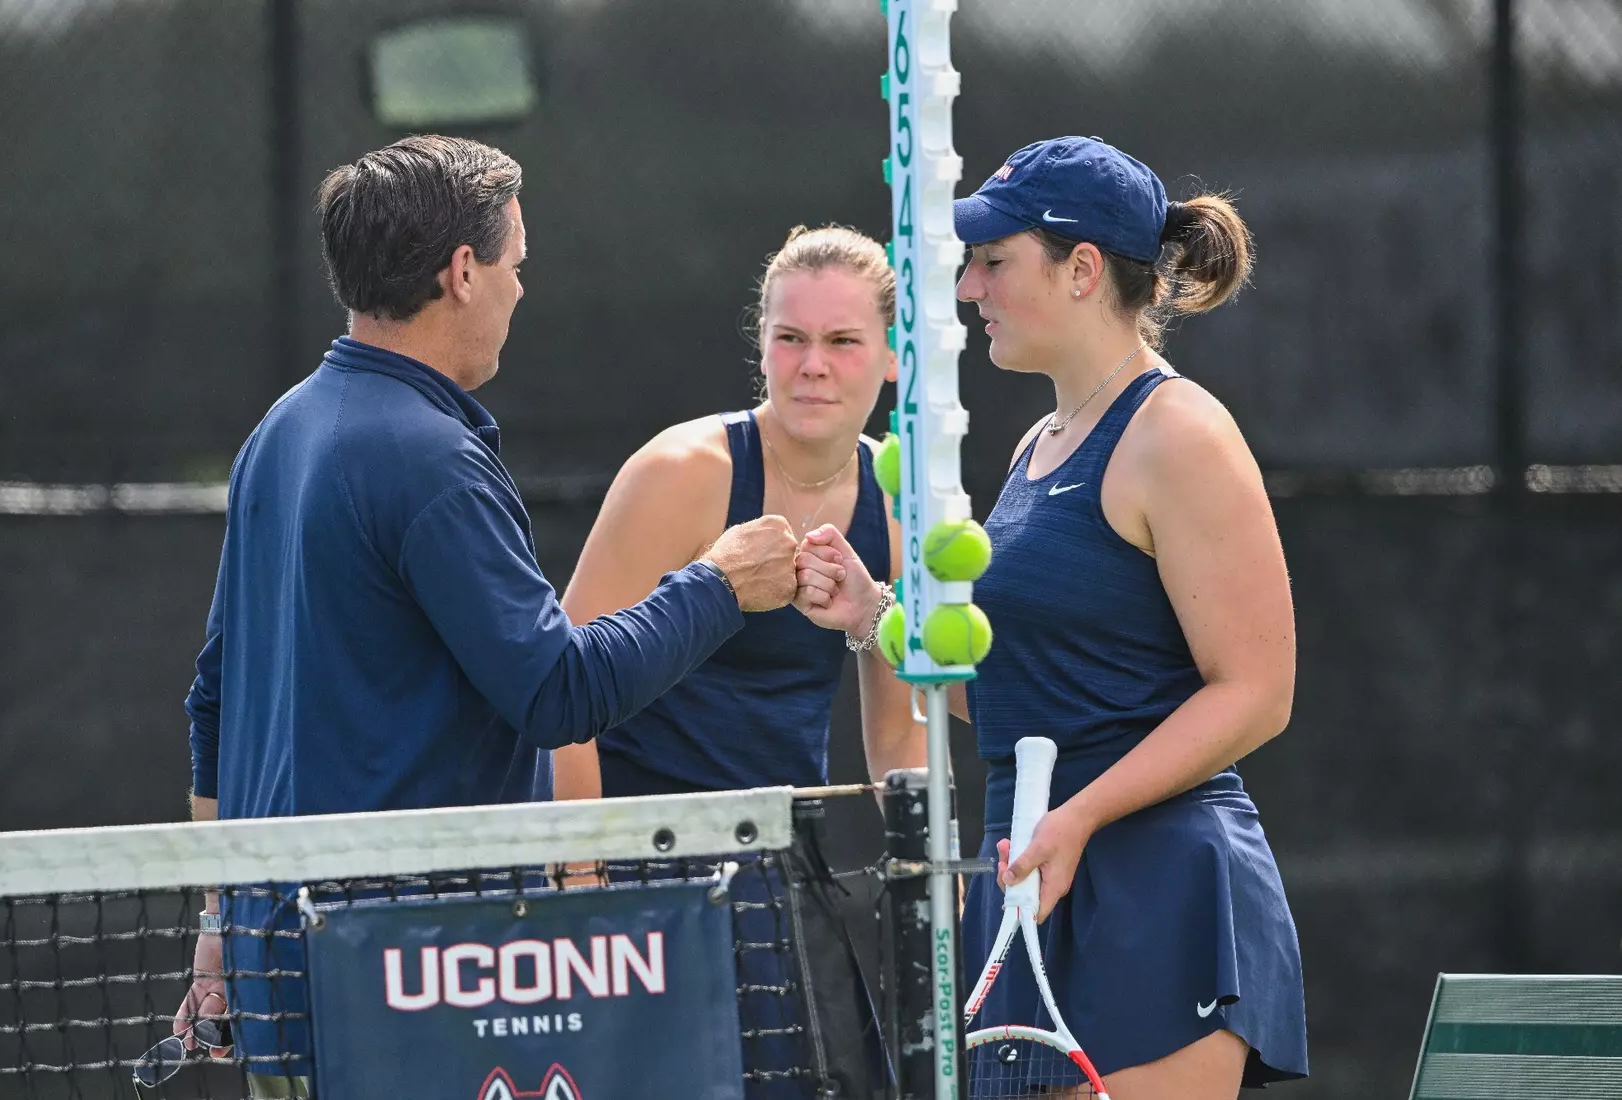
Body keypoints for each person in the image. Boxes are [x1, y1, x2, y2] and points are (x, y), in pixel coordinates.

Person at [174, 135, 812, 1099]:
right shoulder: (428, 461)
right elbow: (559, 694)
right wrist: (720, 582)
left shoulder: (282, 430)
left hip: (285, 967)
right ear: (463, 273)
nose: (522, 288)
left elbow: (209, 706)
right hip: (409, 978)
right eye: (516, 265)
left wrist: (221, 923)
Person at [805, 136, 1307, 1097]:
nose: (967, 288)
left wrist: (1079, 816)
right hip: (1036, 874)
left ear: (1081, 271)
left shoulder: (1180, 433)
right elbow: (1022, 710)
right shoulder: (1040, 443)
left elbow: (1257, 693)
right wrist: (872, 616)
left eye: (995, 262)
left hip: (1158, 887)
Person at [550, 225, 924, 1097]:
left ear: (892, 359)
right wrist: (585, 897)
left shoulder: (899, 503)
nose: (812, 365)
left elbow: (898, 748)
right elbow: (557, 702)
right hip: (638, 882)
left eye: (841, 342)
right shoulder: (683, 471)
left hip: (776, 887)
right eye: (790, 339)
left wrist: (925, 896)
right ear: (763, 347)